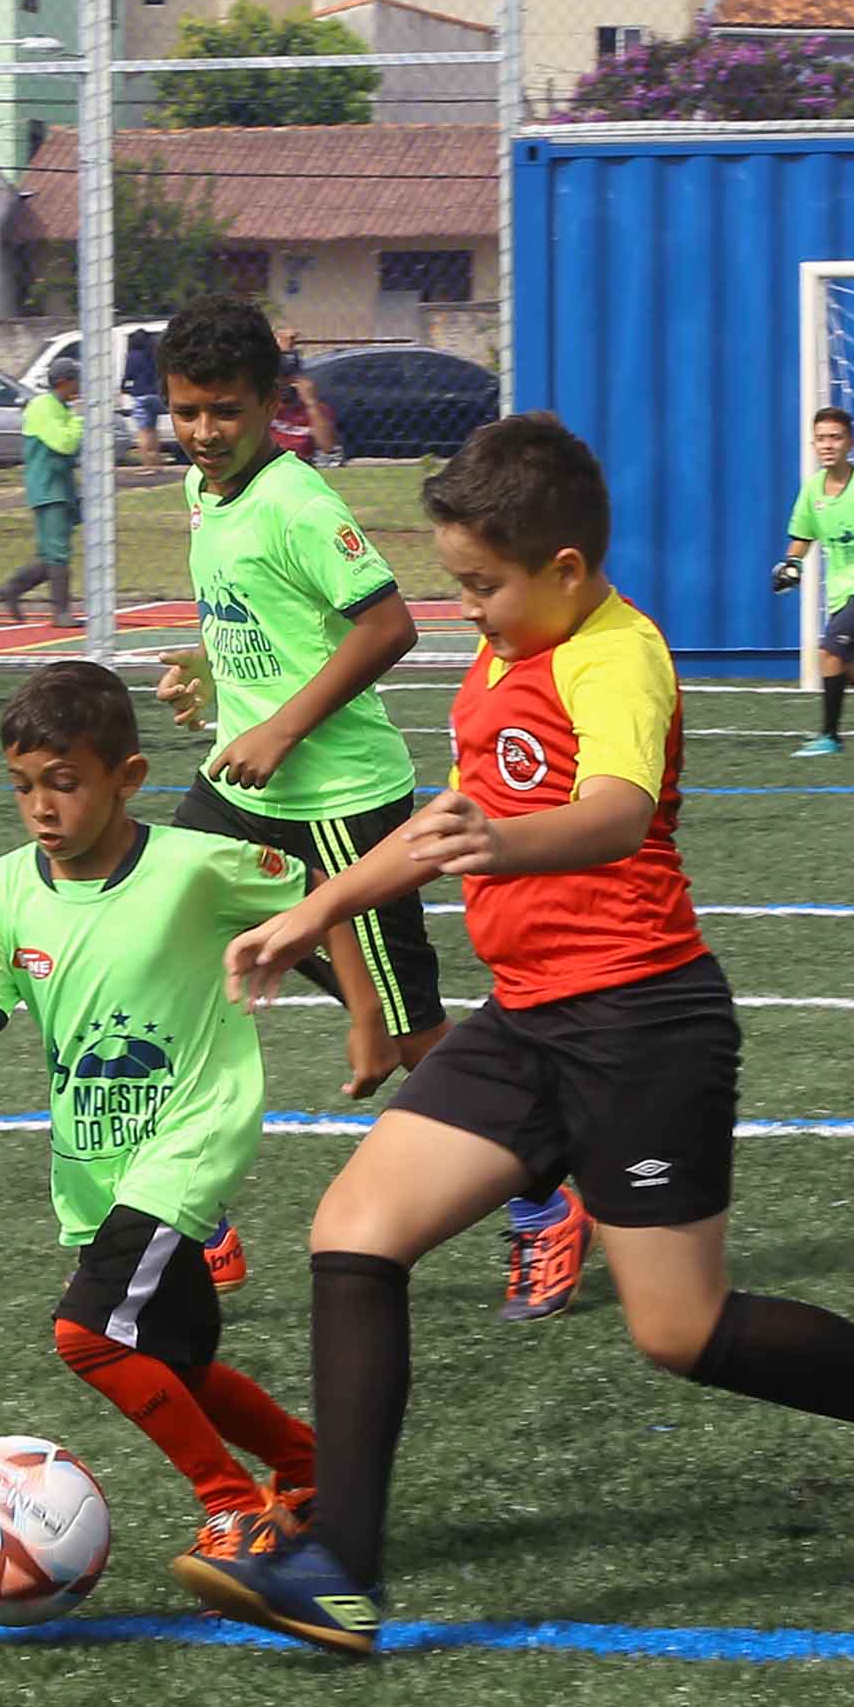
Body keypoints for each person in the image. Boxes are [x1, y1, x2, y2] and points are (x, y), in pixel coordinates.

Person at [185, 412, 854, 1656]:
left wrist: (506, 841)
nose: (468, 612)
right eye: (458, 586)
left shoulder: (620, 657)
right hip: (528, 1020)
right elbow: (453, 814)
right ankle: (342, 1564)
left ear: (564, 570)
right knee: (353, 1231)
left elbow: (611, 811)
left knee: (680, 1329)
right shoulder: (509, 651)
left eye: (483, 587)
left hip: (640, 1022)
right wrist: (314, 909)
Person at [0, 660, 320, 1591]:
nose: (41, 806)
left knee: (90, 1336)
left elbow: (328, 903)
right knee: (177, 1365)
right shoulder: (1, 892)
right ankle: (316, 1474)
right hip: (95, 1169)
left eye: (64, 784)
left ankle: (233, 1509)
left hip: (189, 1139)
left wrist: (366, 1012)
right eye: (23, 786)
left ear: (127, 776)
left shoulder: (194, 866)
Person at [148, 298, 534, 1312]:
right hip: (244, 789)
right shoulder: (204, 490)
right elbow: (267, 622)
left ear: (273, 405)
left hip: (340, 800)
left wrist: (281, 726)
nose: (200, 431)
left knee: (414, 1044)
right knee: (151, 935)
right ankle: (190, 1213)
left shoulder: (296, 497)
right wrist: (209, 677)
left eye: (222, 411)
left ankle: (540, 1198)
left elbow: (388, 624)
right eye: (185, 410)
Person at [773, 406, 854, 758]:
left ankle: (829, 736)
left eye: (836, 438)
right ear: (813, 444)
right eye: (822, 438)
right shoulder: (813, 490)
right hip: (841, 591)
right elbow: (802, 535)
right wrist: (790, 563)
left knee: (829, 653)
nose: (828, 445)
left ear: (850, 443)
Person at [0, 361, 83, 628]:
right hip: (49, 489)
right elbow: (65, 443)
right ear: (63, 381)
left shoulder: (61, 408)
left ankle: (12, 589)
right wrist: (80, 420)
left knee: (51, 554)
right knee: (57, 553)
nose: (79, 386)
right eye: (76, 381)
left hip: (62, 488)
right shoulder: (43, 407)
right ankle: (60, 612)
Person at [268, 327, 339, 464]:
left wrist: (311, 403)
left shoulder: (316, 410)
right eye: (280, 378)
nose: (285, 383)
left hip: (299, 466)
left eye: (289, 377)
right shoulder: (262, 405)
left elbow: (327, 446)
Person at [123, 326, 167, 476]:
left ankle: (148, 466)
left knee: (143, 432)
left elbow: (128, 376)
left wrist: (124, 388)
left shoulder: (133, 355)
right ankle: (158, 463)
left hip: (140, 396)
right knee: (154, 431)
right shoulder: (154, 353)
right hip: (155, 395)